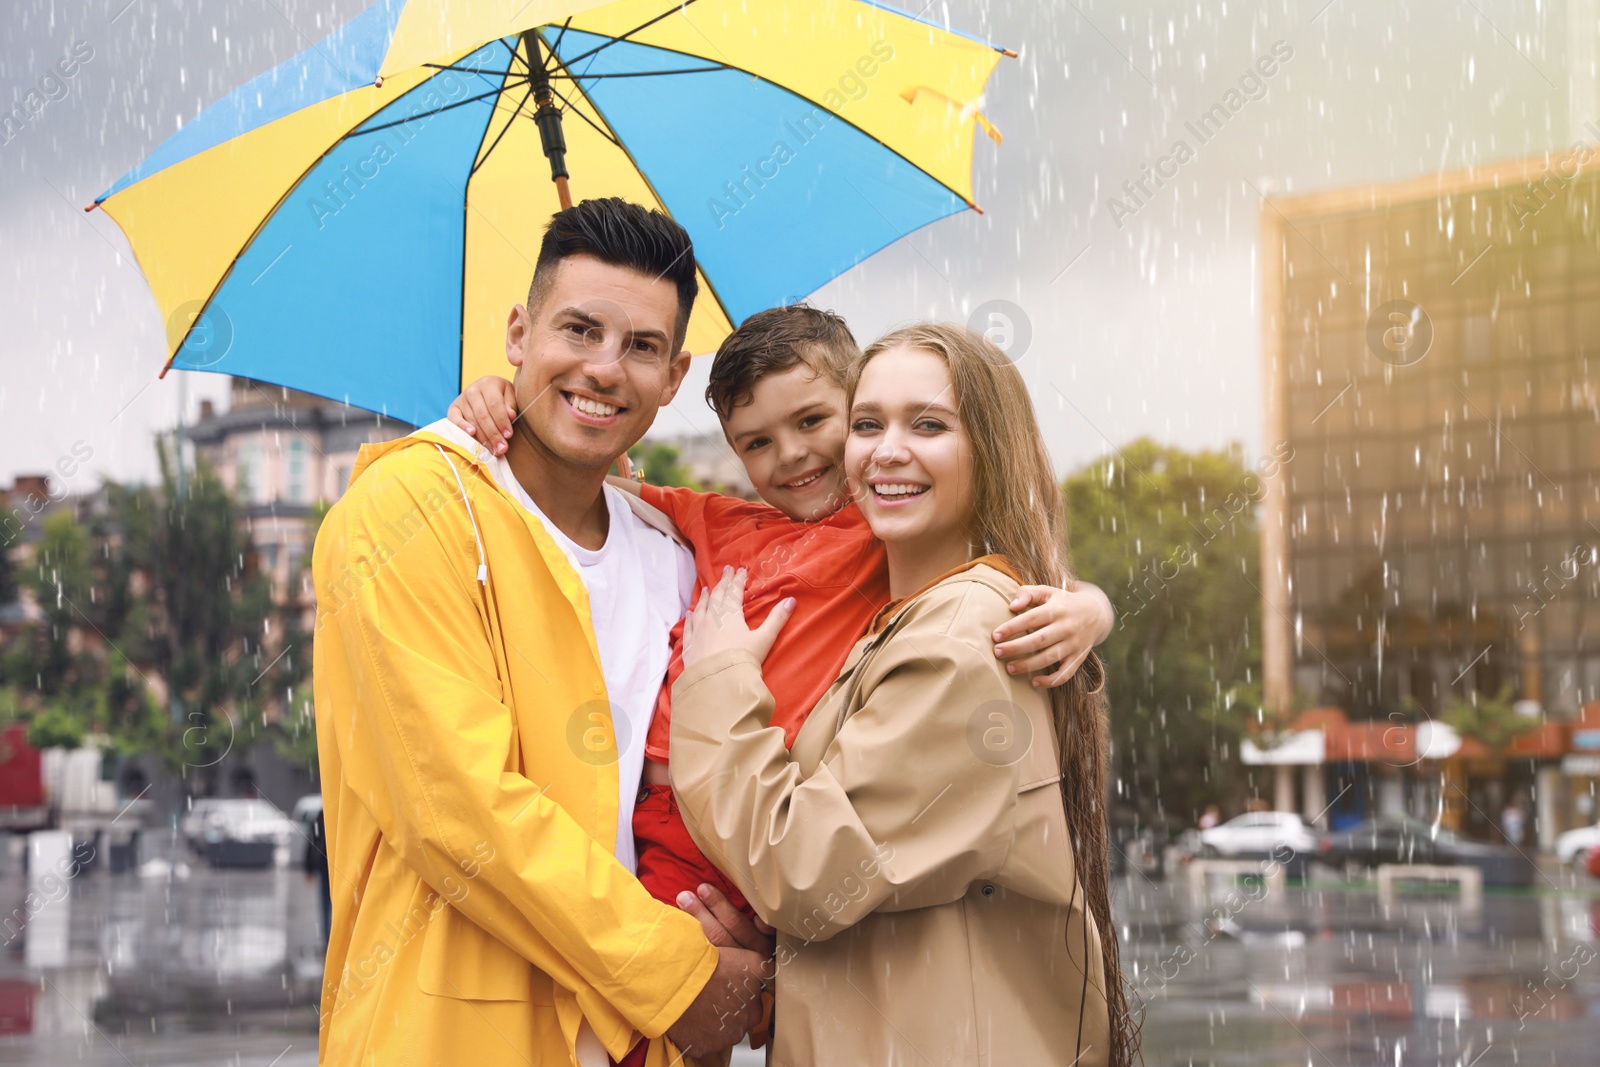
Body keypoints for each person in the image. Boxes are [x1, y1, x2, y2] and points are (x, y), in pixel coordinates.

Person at [447, 305, 1115, 947]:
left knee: (675, 983)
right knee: (631, 990)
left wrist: (1089, 607)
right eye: (758, 443)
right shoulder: (723, 522)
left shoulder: (882, 531)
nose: (791, 454)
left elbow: (1007, 568)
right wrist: (507, 402)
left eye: (813, 420)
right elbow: (579, 480)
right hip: (656, 812)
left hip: (752, 801)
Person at [312, 198, 765, 1067]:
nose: (604, 368)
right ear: (519, 332)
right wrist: (680, 975)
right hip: (453, 1036)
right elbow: (457, 806)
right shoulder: (408, 512)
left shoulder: (672, 554)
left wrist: (744, 926)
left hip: (644, 1045)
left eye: (641, 346)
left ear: (675, 378)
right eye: (580, 330)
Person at [667, 323, 1138, 1065]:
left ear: (991, 443)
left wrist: (714, 679)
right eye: (867, 424)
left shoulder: (957, 640)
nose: (887, 449)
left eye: (928, 424)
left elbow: (806, 870)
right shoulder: (917, 614)